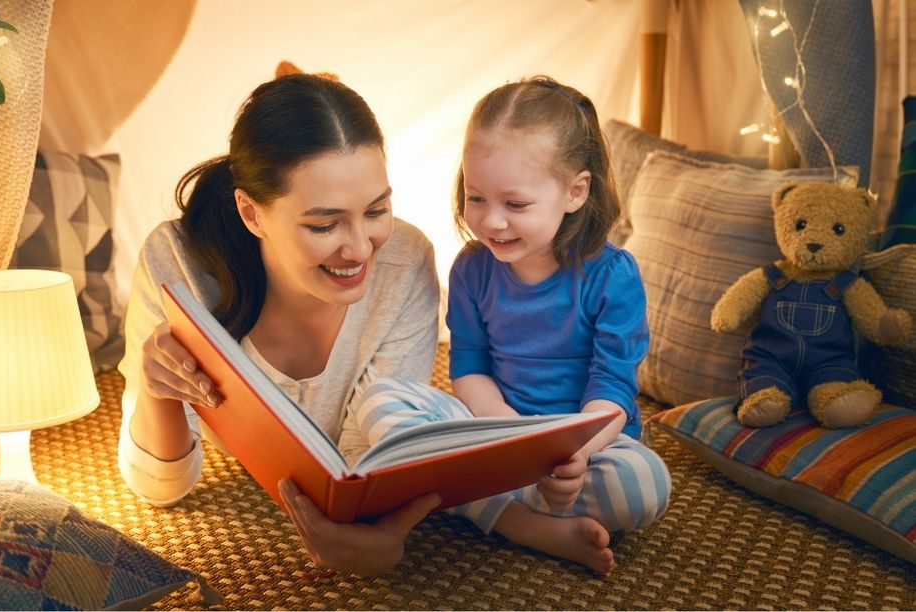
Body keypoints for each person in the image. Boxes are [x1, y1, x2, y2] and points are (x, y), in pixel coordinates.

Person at [116, 73, 442, 576]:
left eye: (377, 209)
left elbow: (374, 458)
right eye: (324, 225)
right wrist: (158, 390)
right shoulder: (178, 265)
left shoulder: (406, 263)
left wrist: (382, 532)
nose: (359, 248)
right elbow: (160, 487)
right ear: (251, 212)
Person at [350, 76, 671, 575]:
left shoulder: (613, 276)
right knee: (379, 399)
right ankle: (518, 520)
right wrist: (506, 438)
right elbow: (470, 368)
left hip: (585, 445)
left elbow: (613, 391)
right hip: (493, 430)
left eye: (515, 205)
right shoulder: (471, 269)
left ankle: (469, 499)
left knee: (646, 484)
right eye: (476, 197)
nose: (491, 221)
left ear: (575, 191)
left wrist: (571, 455)